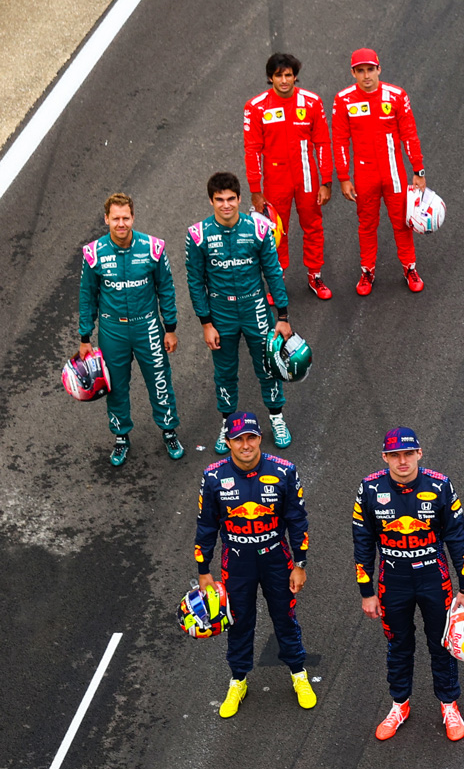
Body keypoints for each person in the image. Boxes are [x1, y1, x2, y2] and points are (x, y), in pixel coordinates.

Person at [352, 428, 464, 742]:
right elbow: (363, 544)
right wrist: (367, 593)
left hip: (435, 578)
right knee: (398, 646)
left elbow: (457, 540)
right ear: (385, 457)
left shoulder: (440, 485)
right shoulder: (369, 488)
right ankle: (399, 705)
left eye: (408, 454)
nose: (402, 461)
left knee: (443, 643)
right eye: (395, 455)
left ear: (419, 453)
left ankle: (449, 705)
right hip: (392, 581)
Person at [196, 412, 314, 718]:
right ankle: (238, 680)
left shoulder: (285, 471)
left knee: (284, 617)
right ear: (228, 443)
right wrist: (203, 569)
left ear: (260, 438)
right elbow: (206, 526)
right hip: (236, 563)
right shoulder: (212, 477)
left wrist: (299, 564)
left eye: (251, 438)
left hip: (277, 559)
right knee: (238, 622)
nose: (245, 445)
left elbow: (297, 521)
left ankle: (299, 674)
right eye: (238, 440)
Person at [185, 173, 296, 452]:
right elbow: (195, 282)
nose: (226, 205)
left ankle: (277, 418)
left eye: (231, 199)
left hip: (255, 306)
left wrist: (282, 317)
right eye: (219, 200)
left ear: (239, 199)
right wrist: (205, 323)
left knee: (268, 367)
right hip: (220, 310)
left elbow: (273, 272)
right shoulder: (197, 235)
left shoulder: (259, 229)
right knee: (224, 372)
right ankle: (229, 423)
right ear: (211, 201)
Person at [77, 192, 182, 466]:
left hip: (147, 326)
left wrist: (170, 328)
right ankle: (121, 437)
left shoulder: (153, 248)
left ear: (133, 217)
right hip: (112, 330)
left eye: (125, 218)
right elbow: (87, 296)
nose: (121, 224)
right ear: (106, 219)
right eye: (115, 219)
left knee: (159, 380)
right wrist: (84, 337)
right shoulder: (93, 253)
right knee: (115, 387)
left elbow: (166, 289)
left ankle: (169, 430)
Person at [332, 48, 427, 296]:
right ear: (353, 72)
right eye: (360, 71)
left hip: (394, 173)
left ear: (379, 69)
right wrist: (343, 177)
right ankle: (367, 270)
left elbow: (409, 134)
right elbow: (340, 140)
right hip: (364, 175)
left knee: (402, 223)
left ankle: (409, 268)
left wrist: (418, 169)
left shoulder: (396, 95)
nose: (366, 76)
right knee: (366, 224)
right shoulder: (343, 100)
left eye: (370, 70)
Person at [243, 52, 334, 299]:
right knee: (276, 231)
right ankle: (277, 279)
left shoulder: (312, 102)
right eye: (278, 75)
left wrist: (326, 181)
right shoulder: (256, 107)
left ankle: (315, 275)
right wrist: (255, 189)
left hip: (307, 178)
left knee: (313, 226)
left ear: (295, 76)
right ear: (270, 78)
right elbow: (251, 150)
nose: (284, 80)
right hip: (275, 181)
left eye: (289, 75)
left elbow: (323, 142)